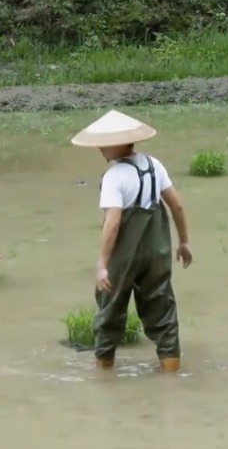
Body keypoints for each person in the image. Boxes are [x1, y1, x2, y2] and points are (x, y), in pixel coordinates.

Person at [70, 109, 193, 372]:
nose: (100, 149)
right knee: (162, 307)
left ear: (119, 143)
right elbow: (177, 206)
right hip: (157, 249)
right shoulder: (154, 165)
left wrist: (102, 264)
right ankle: (171, 372)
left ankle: (104, 376)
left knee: (110, 309)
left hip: (125, 255)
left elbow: (113, 223)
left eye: (103, 144)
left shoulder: (114, 177)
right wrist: (183, 242)